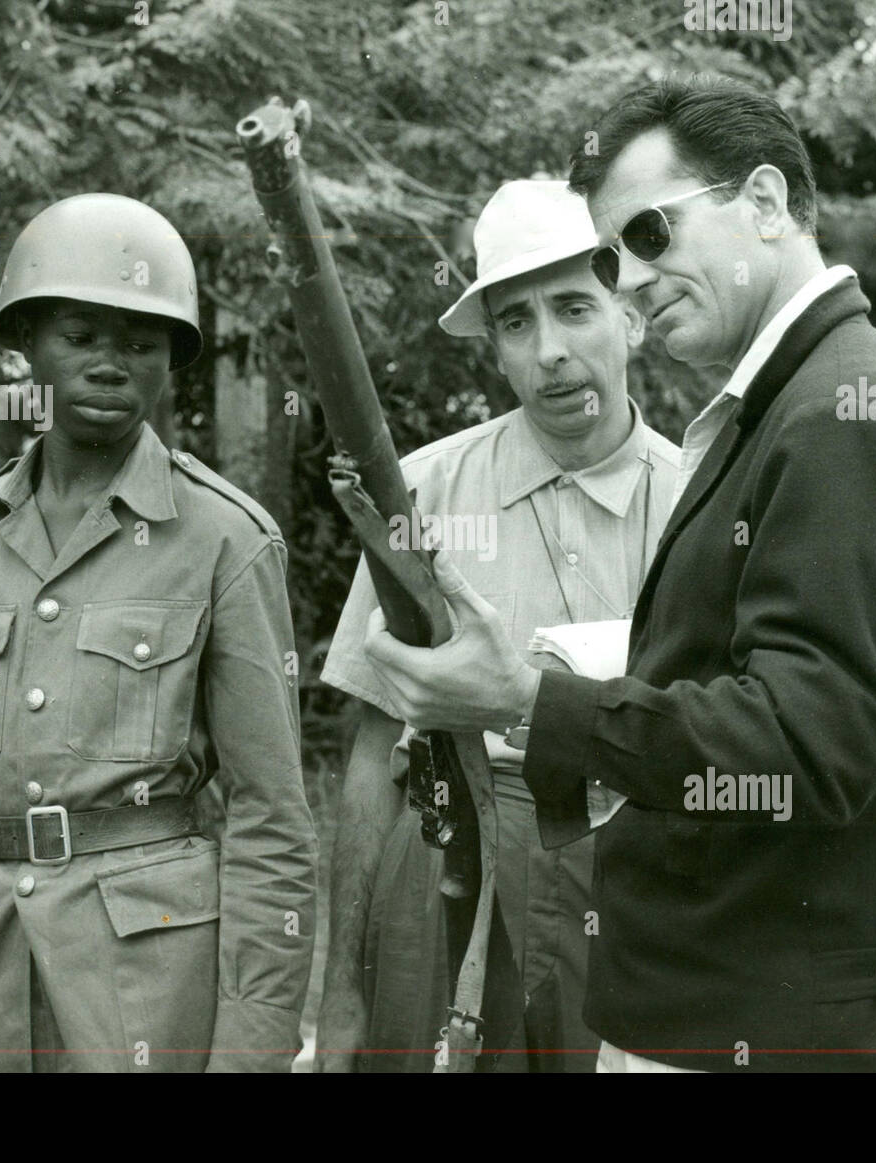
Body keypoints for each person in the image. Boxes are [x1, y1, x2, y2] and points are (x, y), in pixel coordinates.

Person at [361, 78, 876, 1073]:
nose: (630, 280)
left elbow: (808, 740)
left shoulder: (841, 418)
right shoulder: (803, 410)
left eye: (649, 235)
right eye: (611, 255)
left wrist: (528, 699)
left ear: (767, 203)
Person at [0, 193, 317, 1073]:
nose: (111, 364)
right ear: (29, 345)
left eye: (140, 342)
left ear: (171, 363)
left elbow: (274, 824)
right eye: (81, 336)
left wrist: (250, 1057)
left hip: (151, 993)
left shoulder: (224, 539)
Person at [316, 179, 680, 1072]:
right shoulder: (422, 494)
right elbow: (372, 751)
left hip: (636, 880)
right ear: (496, 350)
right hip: (443, 866)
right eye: (517, 322)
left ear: (630, 314)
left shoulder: (705, 501)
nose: (550, 351)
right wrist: (343, 991)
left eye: (574, 308)